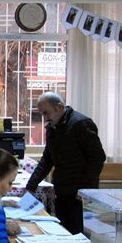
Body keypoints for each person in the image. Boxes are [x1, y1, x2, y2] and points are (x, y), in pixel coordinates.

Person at [26, 92, 105, 235]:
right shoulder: (52, 127)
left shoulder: (80, 124)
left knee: (80, 234)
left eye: (46, 113)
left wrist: (84, 189)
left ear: (59, 107)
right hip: (62, 190)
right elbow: (47, 159)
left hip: (80, 192)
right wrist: (32, 184)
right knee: (64, 232)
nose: (44, 118)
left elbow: (97, 157)